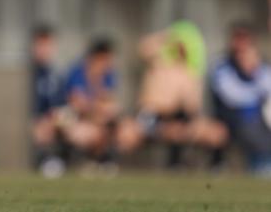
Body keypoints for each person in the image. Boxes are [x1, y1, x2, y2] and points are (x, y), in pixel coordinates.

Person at [116, 21, 227, 168]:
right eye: (180, 43)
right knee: (126, 134)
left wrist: (188, 121)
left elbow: (192, 108)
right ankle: (107, 164)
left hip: (178, 119)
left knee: (217, 132)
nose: (182, 47)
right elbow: (143, 47)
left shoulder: (191, 73)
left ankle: (213, 167)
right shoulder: (159, 62)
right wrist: (170, 35)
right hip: (151, 117)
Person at [209, 22, 271, 174]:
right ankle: (262, 166)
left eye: (244, 39)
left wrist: (254, 73)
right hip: (232, 121)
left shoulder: (260, 67)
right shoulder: (221, 66)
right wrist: (253, 81)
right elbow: (233, 97)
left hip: (258, 122)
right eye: (237, 38)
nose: (241, 45)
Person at [55, 38, 120, 171]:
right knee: (67, 122)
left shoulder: (107, 75)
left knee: (112, 121)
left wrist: (97, 82)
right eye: (106, 59)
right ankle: (60, 160)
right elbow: (78, 103)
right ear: (97, 57)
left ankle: (99, 160)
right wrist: (97, 107)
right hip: (74, 117)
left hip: (94, 120)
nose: (108, 63)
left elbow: (109, 103)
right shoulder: (77, 71)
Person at [29, 25, 65, 177]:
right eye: (40, 45)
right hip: (31, 121)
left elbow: (59, 103)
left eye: (48, 45)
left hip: (50, 120)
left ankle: (55, 160)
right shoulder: (27, 73)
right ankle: (45, 161)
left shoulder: (54, 74)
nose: (44, 49)